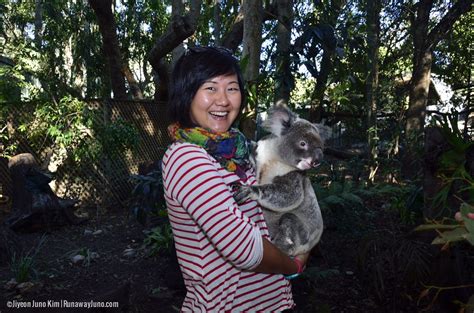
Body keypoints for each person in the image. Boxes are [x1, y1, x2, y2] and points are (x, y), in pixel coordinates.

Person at [161, 46, 310, 312]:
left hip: (272, 303)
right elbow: (242, 247)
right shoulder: (186, 157)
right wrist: (294, 266)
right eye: (210, 88)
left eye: (231, 88)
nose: (224, 100)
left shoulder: (240, 152)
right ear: (187, 94)